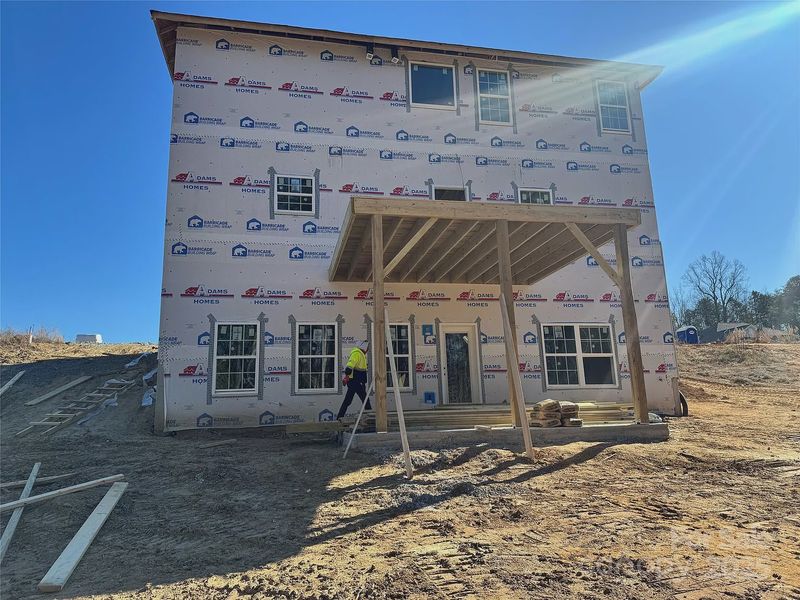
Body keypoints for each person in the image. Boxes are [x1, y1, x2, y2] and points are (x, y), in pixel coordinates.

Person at [336, 340, 371, 420]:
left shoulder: (361, 354)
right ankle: (370, 419)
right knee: (365, 400)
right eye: (367, 347)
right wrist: (347, 376)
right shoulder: (357, 354)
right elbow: (349, 366)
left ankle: (339, 417)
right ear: (364, 347)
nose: (368, 349)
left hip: (356, 382)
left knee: (348, 401)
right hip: (356, 382)